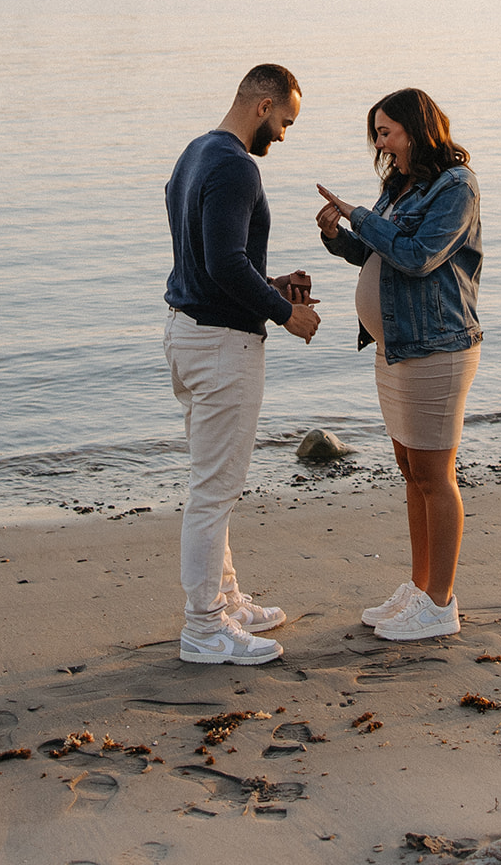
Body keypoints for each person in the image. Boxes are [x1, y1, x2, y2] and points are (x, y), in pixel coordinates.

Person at [164, 63, 320, 665]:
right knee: (214, 490)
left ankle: (224, 599)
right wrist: (286, 312)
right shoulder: (234, 166)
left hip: (186, 331)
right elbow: (226, 264)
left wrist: (272, 281)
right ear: (263, 106)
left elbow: (202, 257)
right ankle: (204, 628)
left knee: (212, 482)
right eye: (284, 121)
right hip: (222, 346)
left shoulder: (195, 153)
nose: (282, 135)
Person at [316, 87, 481, 642]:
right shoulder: (400, 186)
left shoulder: (455, 186)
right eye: (377, 134)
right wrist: (337, 234)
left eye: (386, 131)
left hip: (437, 348)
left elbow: (417, 256)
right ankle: (418, 588)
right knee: (411, 472)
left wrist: (360, 216)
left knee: (435, 476)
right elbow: (373, 251)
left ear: (416, 129)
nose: (380, 143)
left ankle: (441, 602)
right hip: (396, 348)